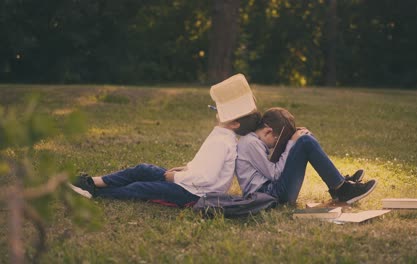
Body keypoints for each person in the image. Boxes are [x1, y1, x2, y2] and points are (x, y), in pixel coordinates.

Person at [69, 74, 261, 207]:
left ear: (234, 124)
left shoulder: (223, 142)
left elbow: (206, 178)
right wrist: (186, 169)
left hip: (195, 195)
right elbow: (205, 166)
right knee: (143, 169)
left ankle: (95, 193)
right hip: (190, 183)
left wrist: (175, 178)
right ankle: (91, 182)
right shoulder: (221, 135)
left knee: (140, 188)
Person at [236, 107, 377, 205]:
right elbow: (274, 174)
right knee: (304, 141)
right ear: (268, 131)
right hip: (269, 194)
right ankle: (342, 188)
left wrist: (291, 142)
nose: (273, 146)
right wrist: (291, 143)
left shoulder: (254, 141)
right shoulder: (250, 143)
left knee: (304, 136)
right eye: (276, 141)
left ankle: (338, 182)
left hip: (272, 191)